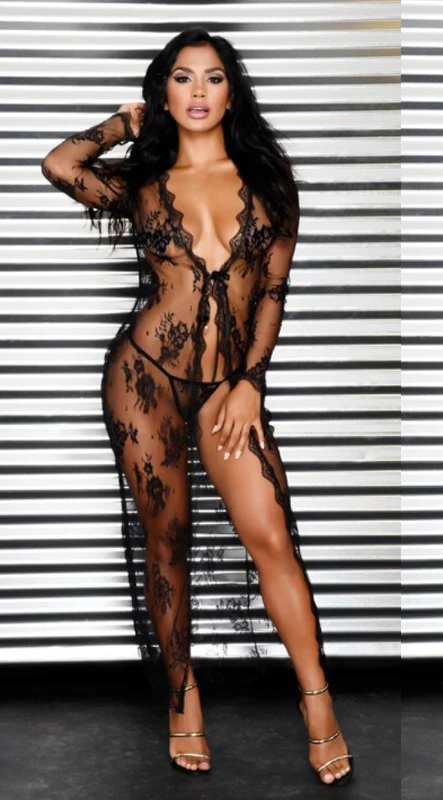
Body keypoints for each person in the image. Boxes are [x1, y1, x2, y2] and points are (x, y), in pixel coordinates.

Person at [40, 27, 353, 785]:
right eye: (182, 79)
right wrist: (122, 123)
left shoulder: (270, 180)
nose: (199, 92)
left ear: (232, 91)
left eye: (213, 78)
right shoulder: (140, 181)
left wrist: (250, 382)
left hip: (226, 388)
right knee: (167, 542)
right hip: (143, 377)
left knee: (271, 537)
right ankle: (184, 704)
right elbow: (59, 164)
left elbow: (271, 293)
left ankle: (319, 706)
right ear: (164, 93)